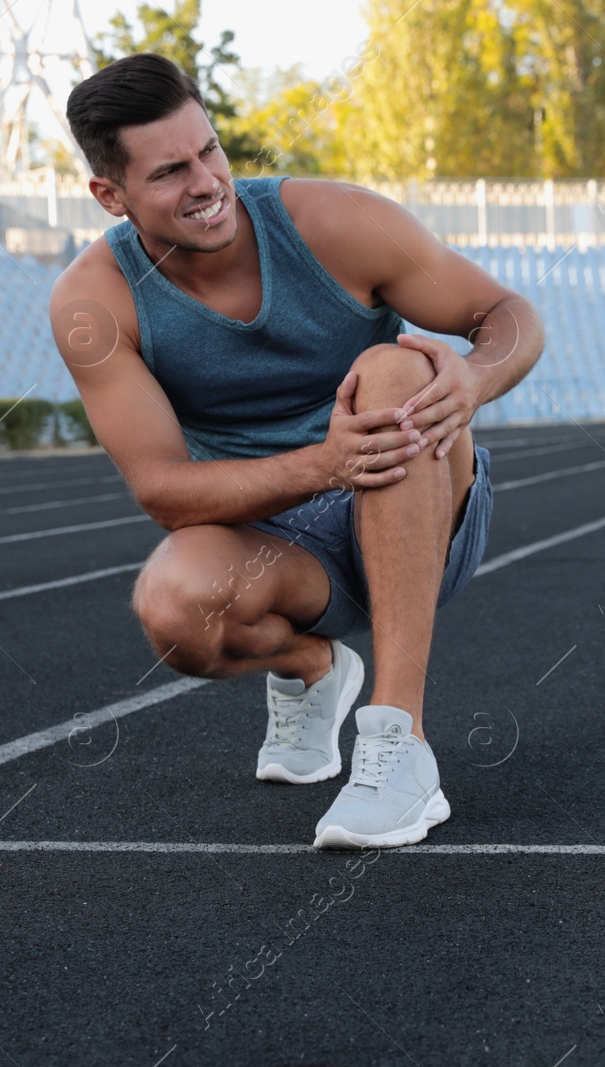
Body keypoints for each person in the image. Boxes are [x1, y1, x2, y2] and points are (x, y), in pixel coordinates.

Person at [49, 53, 543, 849]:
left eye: (209, 150)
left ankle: (398, 741)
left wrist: (476, 377)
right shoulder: (94, 301)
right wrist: (325, 466)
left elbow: (506, 311)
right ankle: (316, 666)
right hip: (284, 540)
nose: (207, 181)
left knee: (391, 370)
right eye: (171, 171)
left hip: (422, 499)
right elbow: (164, 492)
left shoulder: (335, 223)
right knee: (172, 606)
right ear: (111, 195)